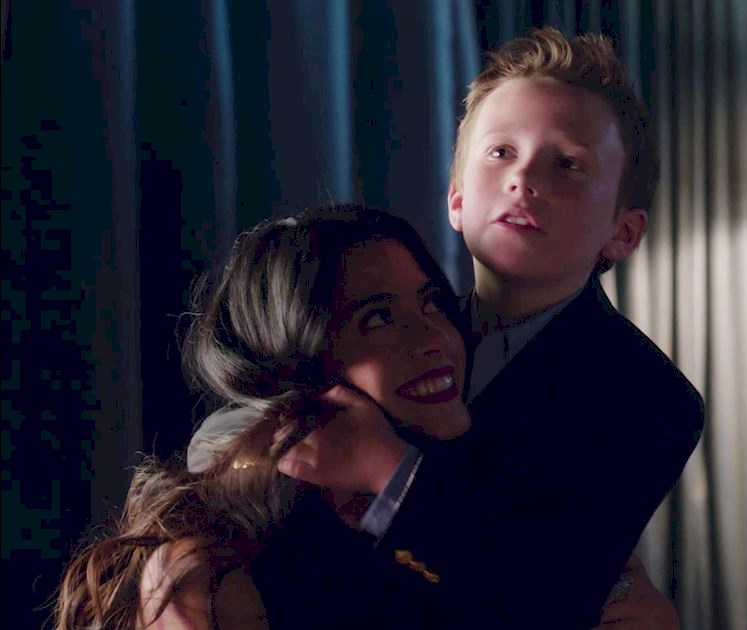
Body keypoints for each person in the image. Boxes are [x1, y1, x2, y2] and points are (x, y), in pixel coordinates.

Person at [190, 27, 705, 628]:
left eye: (567, 163)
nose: (523, 179)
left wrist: (392, 471)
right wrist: (190, 547)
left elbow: (545, 591)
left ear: (623, 232)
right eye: (501, 152)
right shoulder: (397, 331)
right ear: (456, 200)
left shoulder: (650, 397)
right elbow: (229, 431)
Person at [55, 206, 471, 628]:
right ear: (301, 364)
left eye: (432, 303)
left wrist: (398, 477)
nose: (434, 338)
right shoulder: (212, 575)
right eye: (378, 319)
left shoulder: (478, 482)